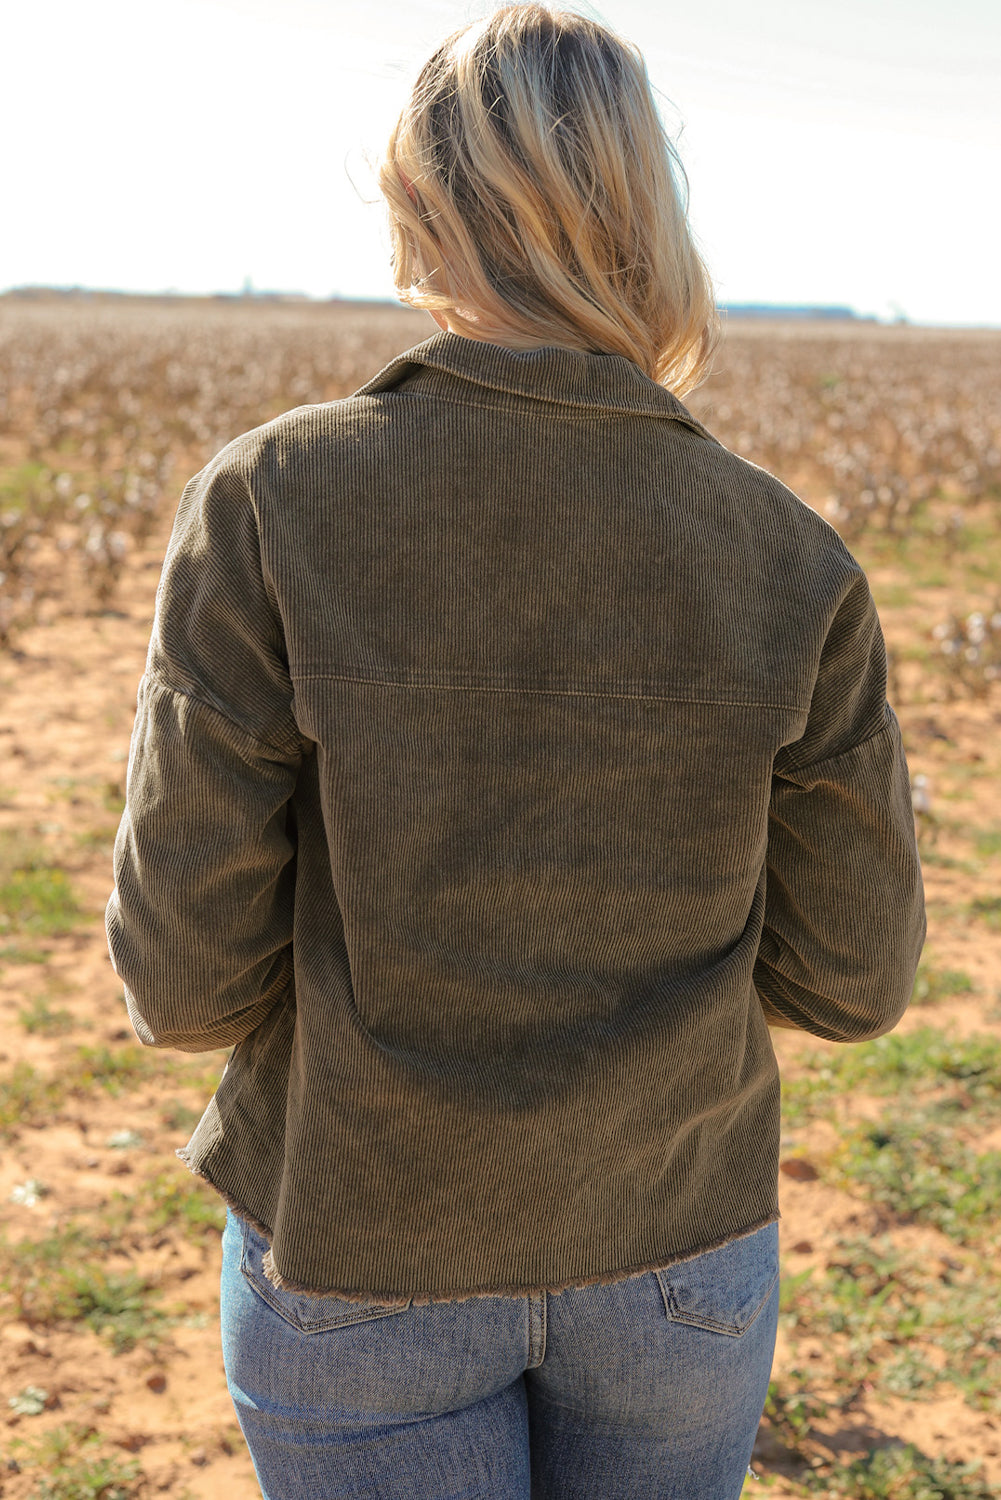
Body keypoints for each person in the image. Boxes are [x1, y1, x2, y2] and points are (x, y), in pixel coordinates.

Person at [106, 5, 926, 1497]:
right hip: (680, 1254)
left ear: (419, 206)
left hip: (359, 1239)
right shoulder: (790, 556)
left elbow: (179, 984)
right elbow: (854, 980)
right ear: (644, 221)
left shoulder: (270, 502)